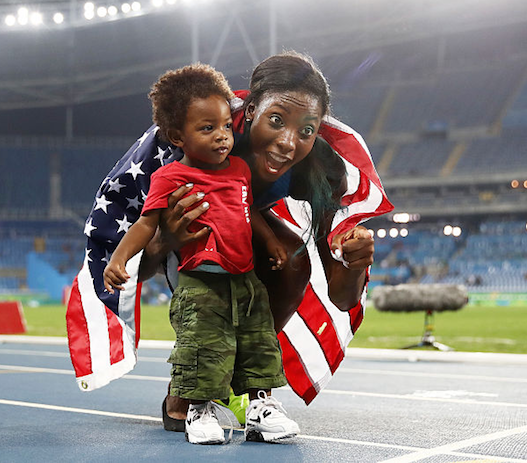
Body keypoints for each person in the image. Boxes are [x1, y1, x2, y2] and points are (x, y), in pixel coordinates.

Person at [65, 52, 393, 434]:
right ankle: (189, 392)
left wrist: (354, 263)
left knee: (289, 259)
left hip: (240, 237)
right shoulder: (193, 145)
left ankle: (251, 389)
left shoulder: (322, 169)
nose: (289, 143)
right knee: (206, 301)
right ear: (250, 109)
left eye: (307, 130)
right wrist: (166, 239)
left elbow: (342, 297)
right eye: (276, 120)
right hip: (193, 243)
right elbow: (140, 266)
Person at [102, 63, 296, 444]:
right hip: (201, 279)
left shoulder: (239, 168)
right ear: (178, 136)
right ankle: (199, 409)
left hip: (245, 276)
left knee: (259, 341)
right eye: (207, 129)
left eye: (225, 126)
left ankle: (260, 409)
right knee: (203, 345)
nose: (222, 137)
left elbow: (248, 207)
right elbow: (146, 224)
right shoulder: (170, 177)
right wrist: (119, 258)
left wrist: (270, 240)